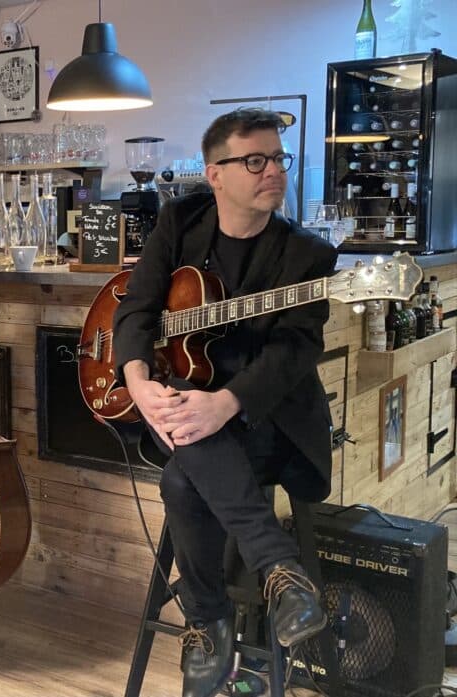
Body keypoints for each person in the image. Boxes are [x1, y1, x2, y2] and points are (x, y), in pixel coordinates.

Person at [112, 109, 336, 697]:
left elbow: (294, 352)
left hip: (268, 421)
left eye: (278, 159)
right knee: (186, 427)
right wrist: (136, 380)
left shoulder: (306, 256)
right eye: (255, 160)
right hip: (185, 401)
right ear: (214, 173)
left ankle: (208, 618)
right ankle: (280, 572)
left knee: (182, 481)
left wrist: (228, 402)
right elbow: (135, 307)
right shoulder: (179, 224)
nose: (273, 172)